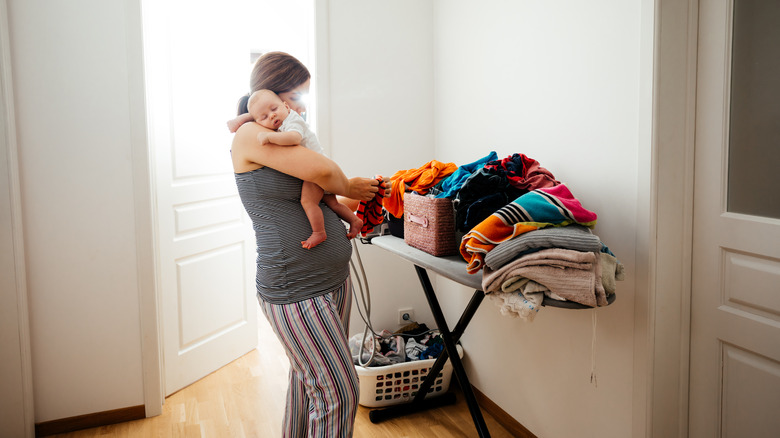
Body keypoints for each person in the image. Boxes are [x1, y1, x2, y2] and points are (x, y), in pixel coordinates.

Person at [230, 51, 384, 437]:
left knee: (307, 386)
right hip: (296, 288)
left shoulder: (286, 132)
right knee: (339, 392)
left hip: (331, 281)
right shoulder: (251, 133)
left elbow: (318, 202)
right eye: (295, 95)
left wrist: (359, 199)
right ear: (272, 91)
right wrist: (348, 185)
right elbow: (324, 171)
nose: (299, 105)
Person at [230, 89, 362, 249]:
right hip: (293, 267)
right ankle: (354, 220)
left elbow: (293, 138)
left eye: (274, 109)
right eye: (264, 117)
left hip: (314, 176)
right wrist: (248, 117)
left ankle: (319, 232)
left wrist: (270, 136)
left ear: (286, 106)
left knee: (308, 201)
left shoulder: (292, 121)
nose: (271, 116)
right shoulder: (263, 128)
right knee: (333, 204)